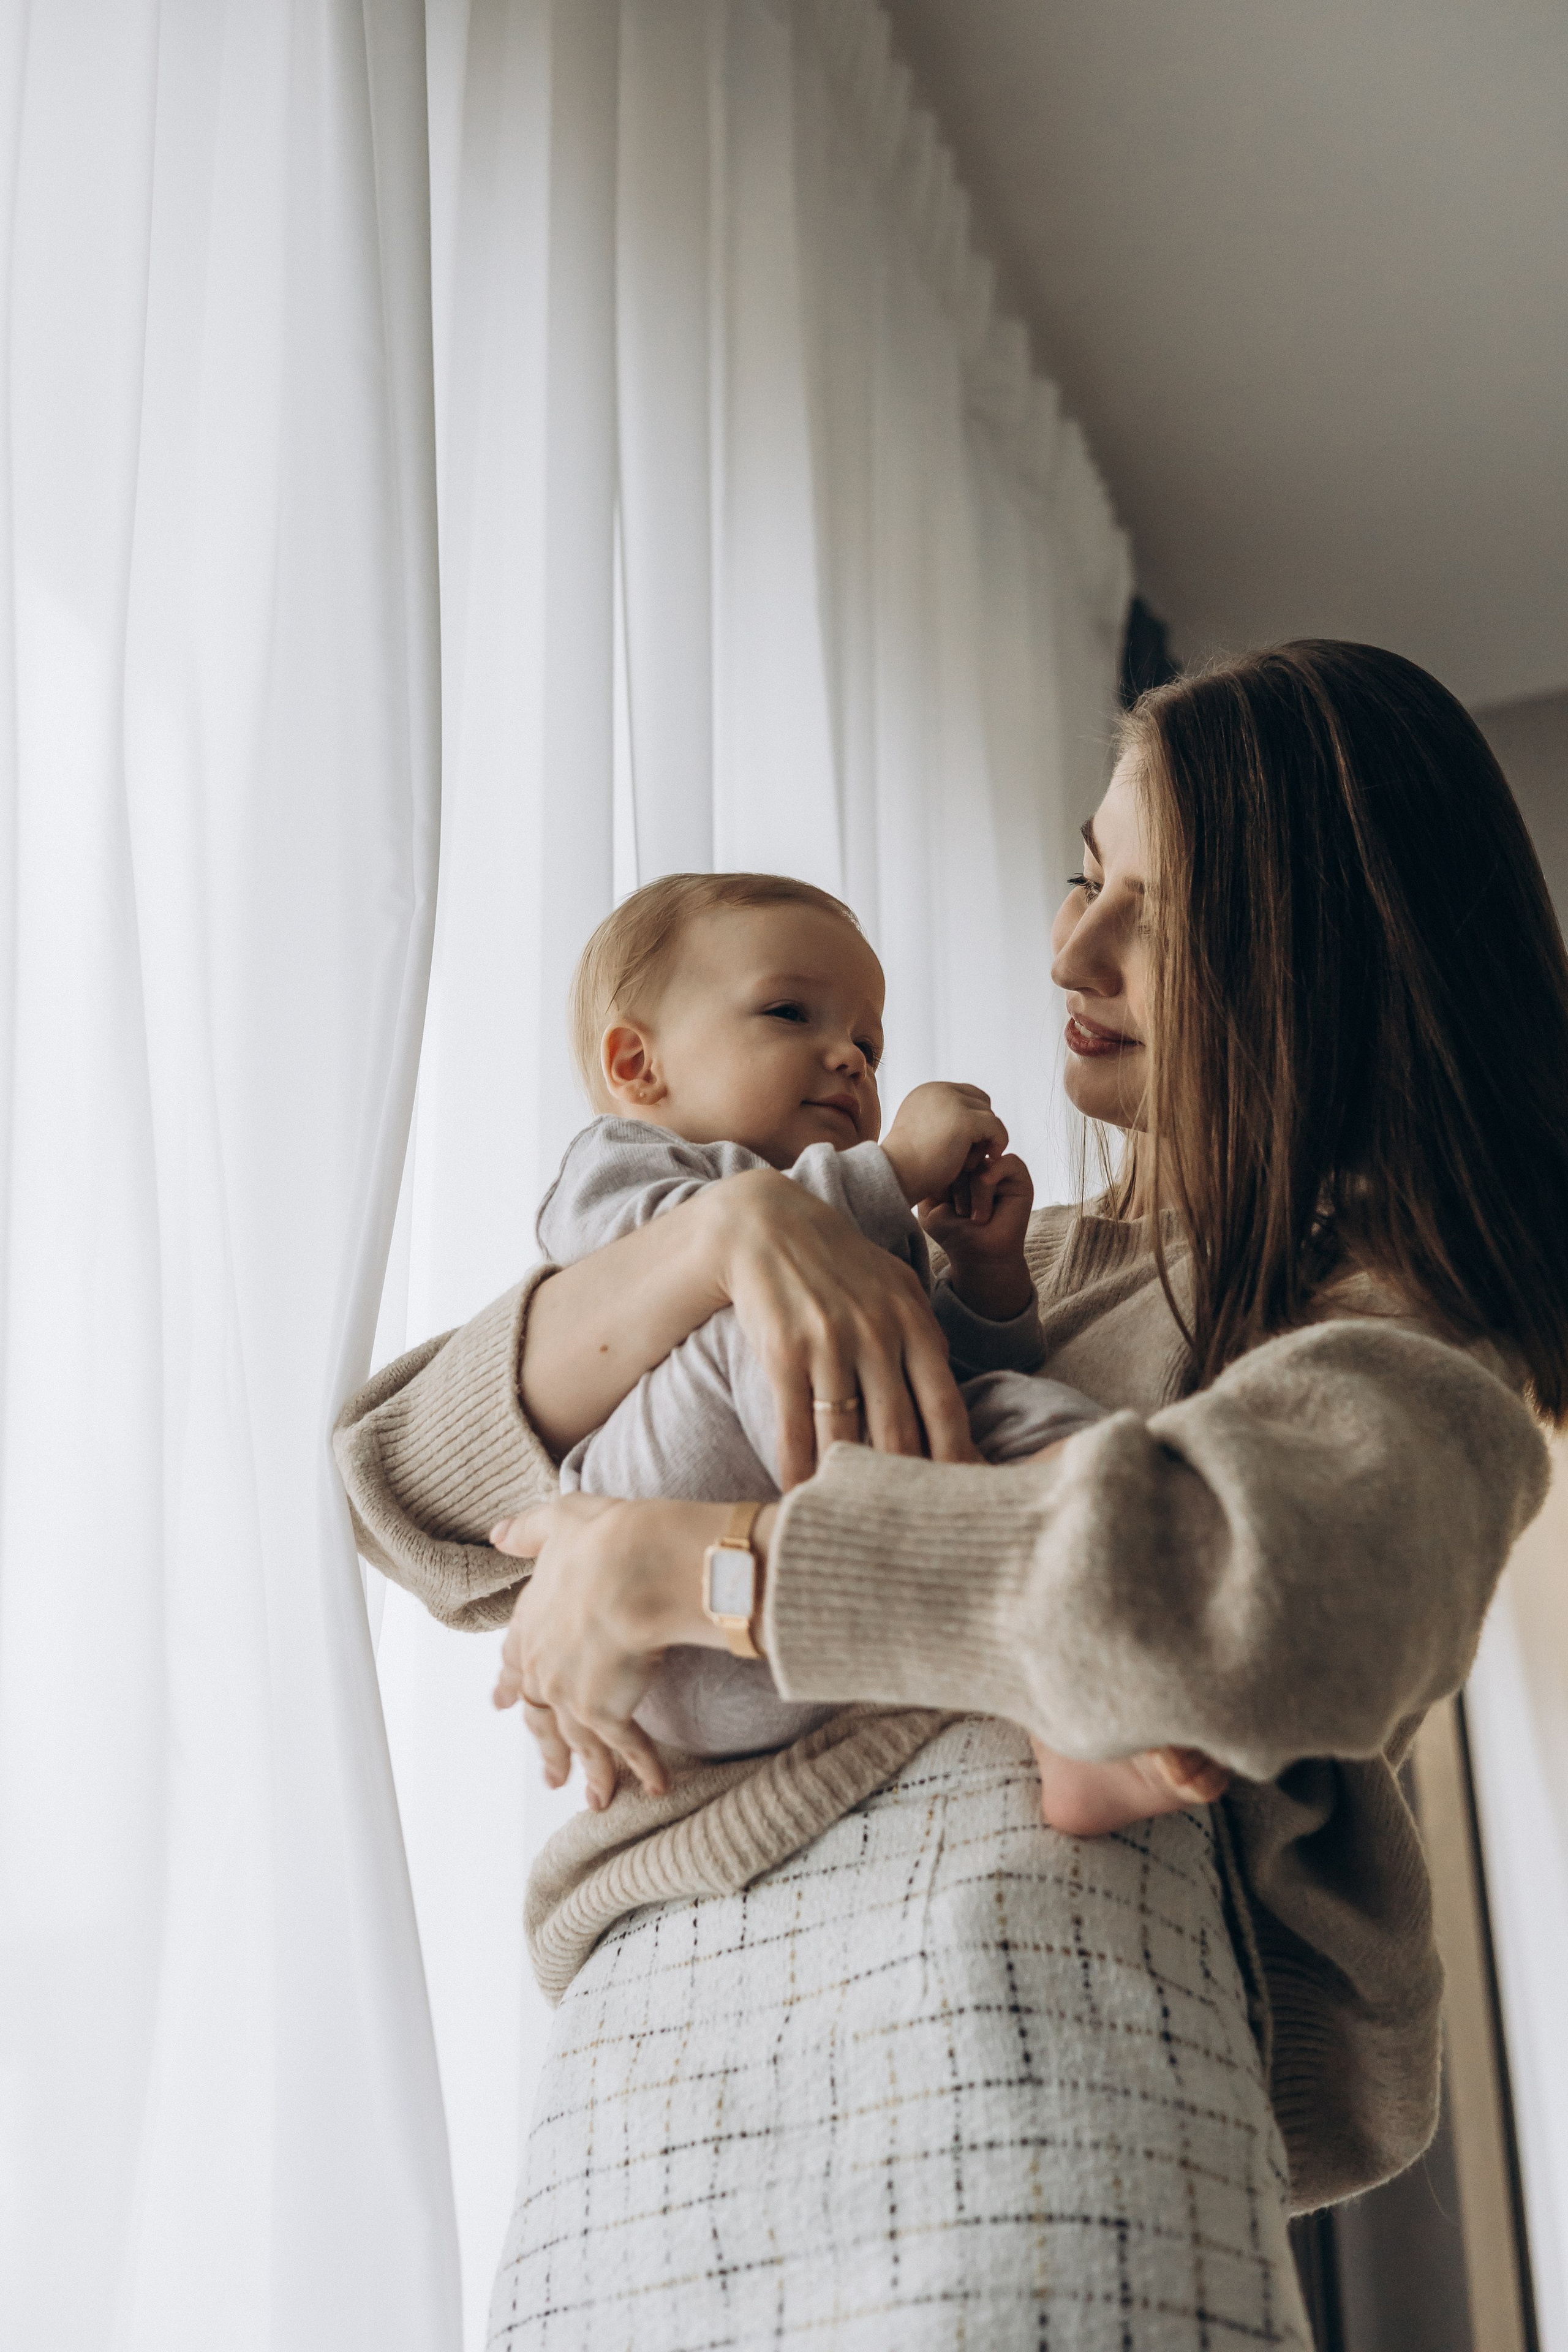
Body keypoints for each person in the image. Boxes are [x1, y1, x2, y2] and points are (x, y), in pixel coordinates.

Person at [334, 643, 1568, 2351]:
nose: (1070, 951)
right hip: (647, 2080)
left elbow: (1251, 1600)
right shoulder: (923, 1245)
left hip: (1020, 2063)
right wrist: (725, 1232)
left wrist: (700, 1574)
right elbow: (404, 1485)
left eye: (1158, 913)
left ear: (1326, 958)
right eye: (1082, 877)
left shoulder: (1380, 1325)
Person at [527, 869, 1224, 1828]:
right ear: (638, 1065)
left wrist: (984, 1278)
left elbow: (949, 1383)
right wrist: (887, 1170)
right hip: (669, 1642)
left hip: (811, 1616)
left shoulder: (867, 1223)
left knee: (1052, 1422)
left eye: (868, 1043)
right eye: (789, 1013)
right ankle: (995, 1575)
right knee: (773, 1322)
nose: (849, 1060)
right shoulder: (623, 1164)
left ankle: (1077, 1731)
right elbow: (683, 1259)